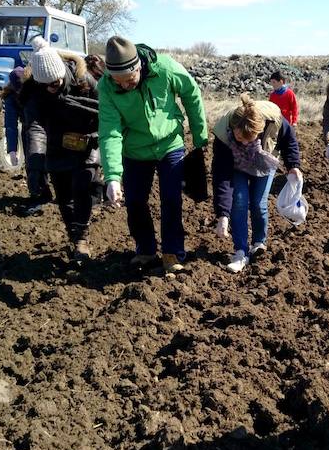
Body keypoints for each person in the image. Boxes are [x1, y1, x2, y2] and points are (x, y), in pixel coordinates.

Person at [98, 35, 208, 274]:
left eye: (129, 80)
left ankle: (172, 253)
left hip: (170, 143)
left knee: (171, 199)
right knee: (135, 202)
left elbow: (192, 93)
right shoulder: (106, 87)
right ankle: (145, 250)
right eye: (119, 81)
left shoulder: (166, 68)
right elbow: (110, 133)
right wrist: (113, 177)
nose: (124, 85)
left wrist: (200, 139)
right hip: (134, 149)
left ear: (139, 67)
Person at [20, 37, 100, 262]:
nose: (51, 89)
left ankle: (82, 238)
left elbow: (106, 113)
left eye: (55, 83)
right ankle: (75, 238)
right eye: (46, 85)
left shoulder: (84, 80)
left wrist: (96, 140)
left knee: (82, 186)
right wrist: (36, 165)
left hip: (87, 140)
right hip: (57, 143)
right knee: (64, 196)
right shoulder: (34, 92)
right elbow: (35, 127)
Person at [211, 94, 302, 273]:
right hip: (236, 166)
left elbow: (289, 140)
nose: (244, 142)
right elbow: (222, 175)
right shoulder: (223, 134)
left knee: (258, 203)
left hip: (264, 160)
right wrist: (222, 214)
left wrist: (293, 166)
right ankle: (240, 252)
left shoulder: (273, 120)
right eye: (239, 138)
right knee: (239, 202)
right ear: (232, 129)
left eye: (249, 138)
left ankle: (259, 243)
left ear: (259, 130)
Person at [4, 65, 53, 215]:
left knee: (49, 161)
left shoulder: (39, 90)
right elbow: (11, 124)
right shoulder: (11, 98)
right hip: (29, 129)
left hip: (49, 126)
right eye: (17, 89)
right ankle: (39, 194)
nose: (20, 92)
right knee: (32, 163)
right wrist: (12, 149)